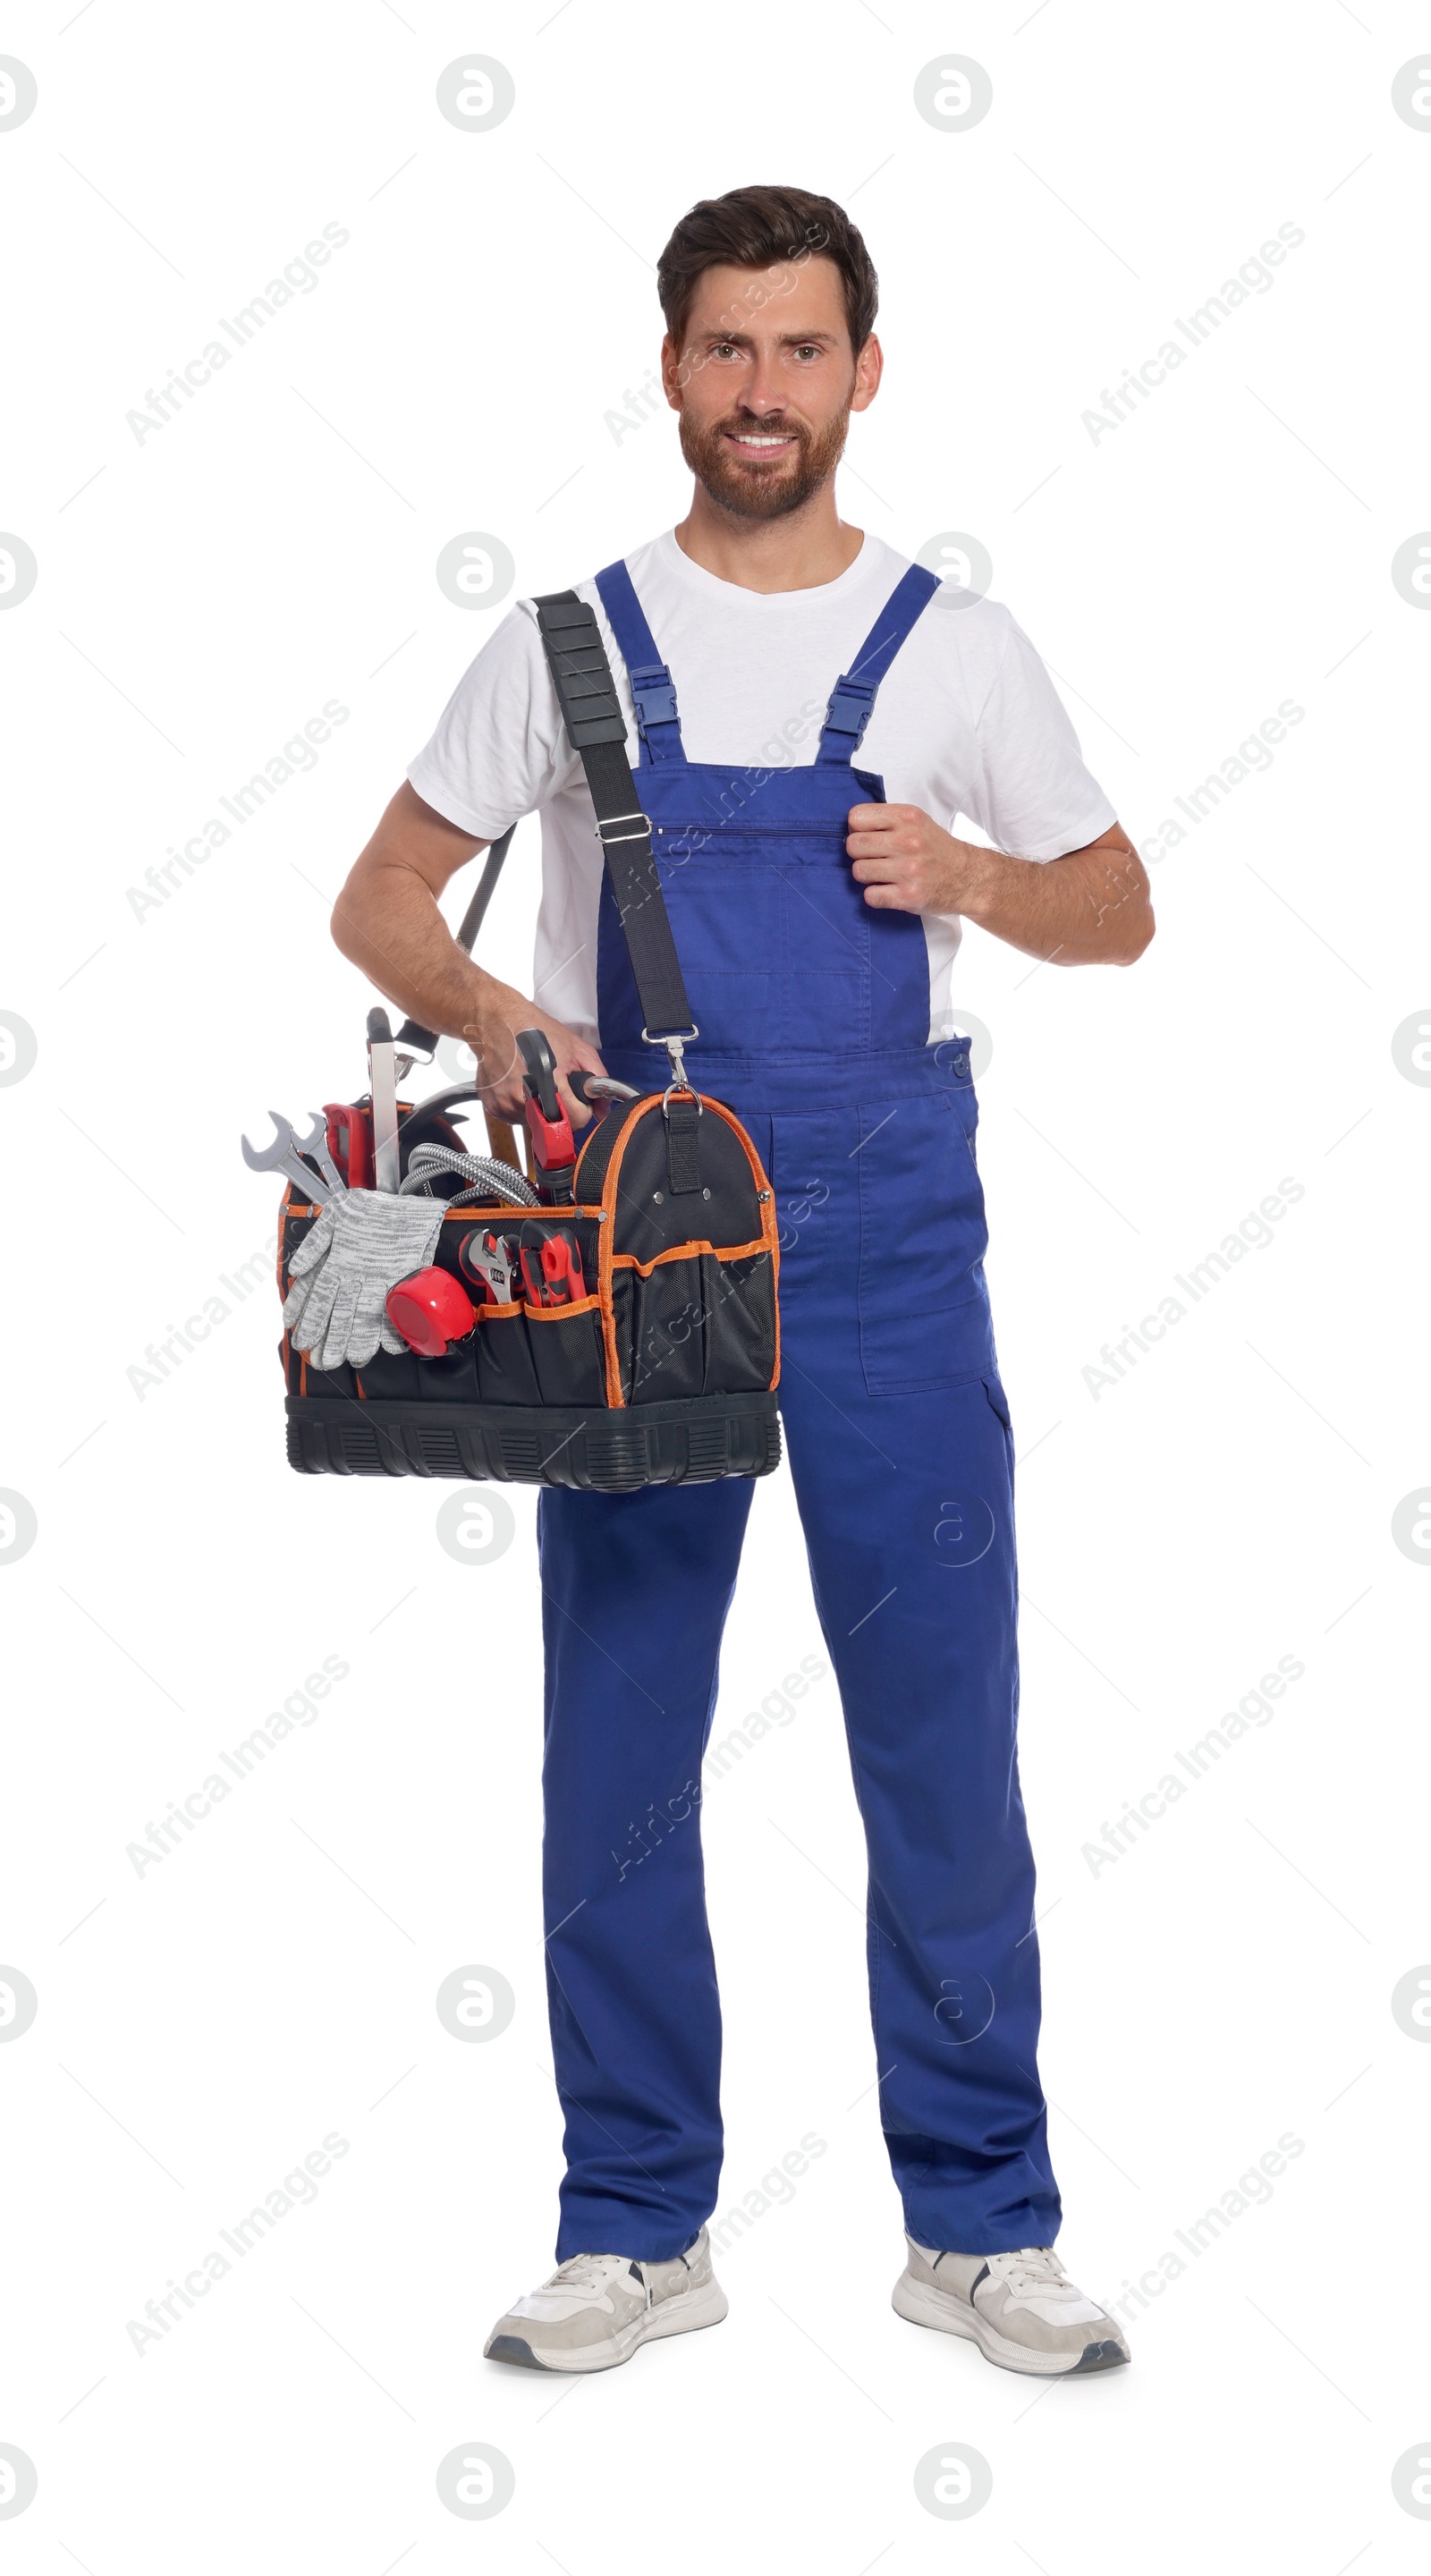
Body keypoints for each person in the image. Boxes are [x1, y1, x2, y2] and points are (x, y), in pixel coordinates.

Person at [332, 183, 1154, 2380]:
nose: (759, 392)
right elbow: (382, 904)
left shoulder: (956, 646)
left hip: (889, 1244)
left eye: (799, 352)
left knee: (941, 1746)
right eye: (723, 350)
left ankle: (977, 2224)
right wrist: (509, 1023)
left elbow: (1118, 907)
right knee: (617, 1743)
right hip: (634, 1244)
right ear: (670, 368)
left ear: (860, 373)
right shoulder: (563, 642)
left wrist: (971, 870)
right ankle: (634, 2223)